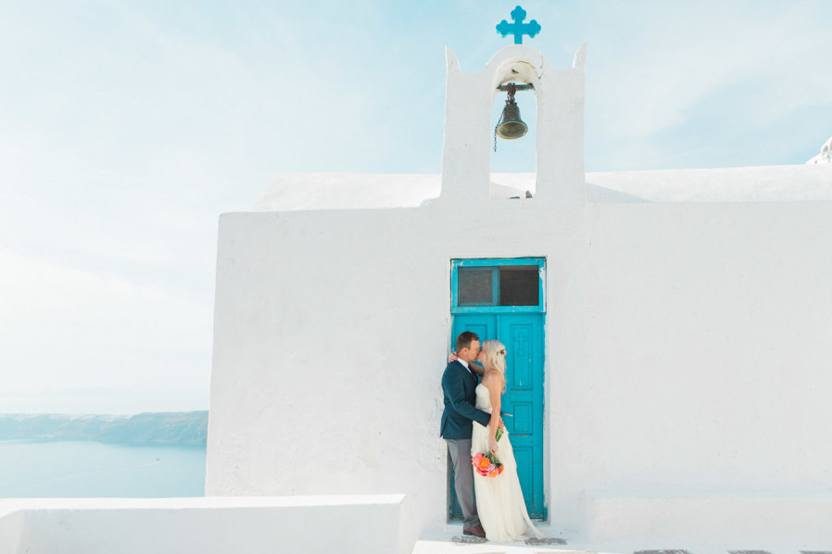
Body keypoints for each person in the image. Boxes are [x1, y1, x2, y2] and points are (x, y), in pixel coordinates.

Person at [468, 339, 543, 542]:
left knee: (493, 477)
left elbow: (495, 410)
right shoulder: (487, 372)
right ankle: (492, 520)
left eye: (482, 350)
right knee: (485, 476)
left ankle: (498, 525)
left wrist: (492, 439)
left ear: (489, 354)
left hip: (488, 432)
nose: (479, 353)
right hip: (480, 429)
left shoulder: (493, 376)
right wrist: (460, 359)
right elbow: (475, 367)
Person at [440, 331, 492, 538]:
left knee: (471, 476)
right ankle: (470, 523)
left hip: (468, 429)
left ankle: (477, 518)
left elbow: (482, 373)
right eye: (475, 348)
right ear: (464, 350)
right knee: (464, 478)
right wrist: (486, 419)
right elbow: (458, 404)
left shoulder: (466, 367)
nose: (479, 351)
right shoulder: (453, 372)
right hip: (457, 430)